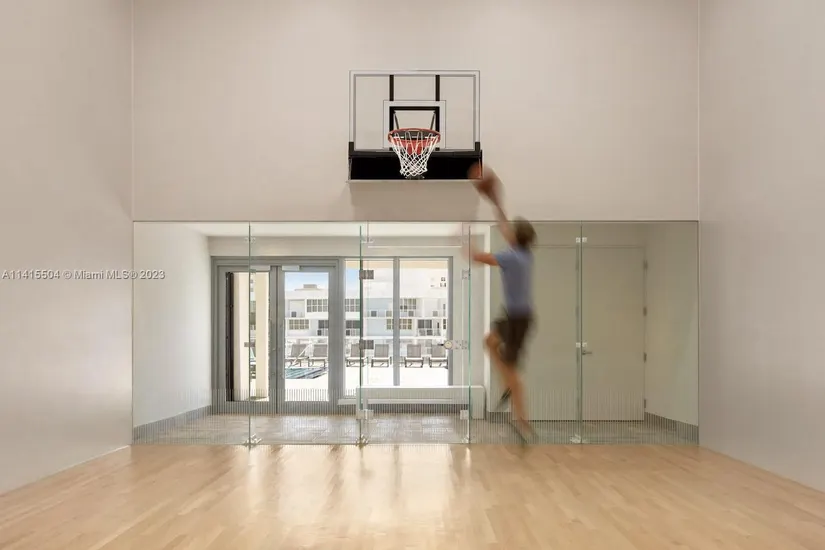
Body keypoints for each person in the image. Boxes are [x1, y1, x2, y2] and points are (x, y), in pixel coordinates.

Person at [467, 162, 537, 442]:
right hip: (515, 315)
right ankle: (507, 381)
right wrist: (495, 201)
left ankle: (522, 418)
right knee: (489, 342)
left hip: (518, 319)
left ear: (515, 239)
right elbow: (505, 226)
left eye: (511, 233)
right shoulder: (524, 253)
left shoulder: (511, 257)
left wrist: (464, 241)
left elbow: (478, 258)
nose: (508, 233)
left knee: (510, 369)